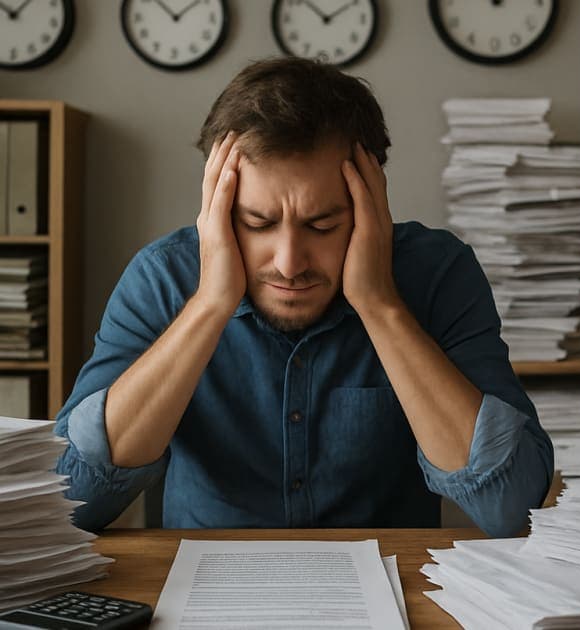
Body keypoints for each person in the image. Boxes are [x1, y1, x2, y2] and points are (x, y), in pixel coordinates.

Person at [54, 57, 553, 537]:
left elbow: (512, 506)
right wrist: (209, 304)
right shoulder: (161, 278)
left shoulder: (439, 275)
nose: (290, 263)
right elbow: (73, 499)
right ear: (218, 208)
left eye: (322, 224)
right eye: (257, 223)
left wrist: (379, 304)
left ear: (371, 205)